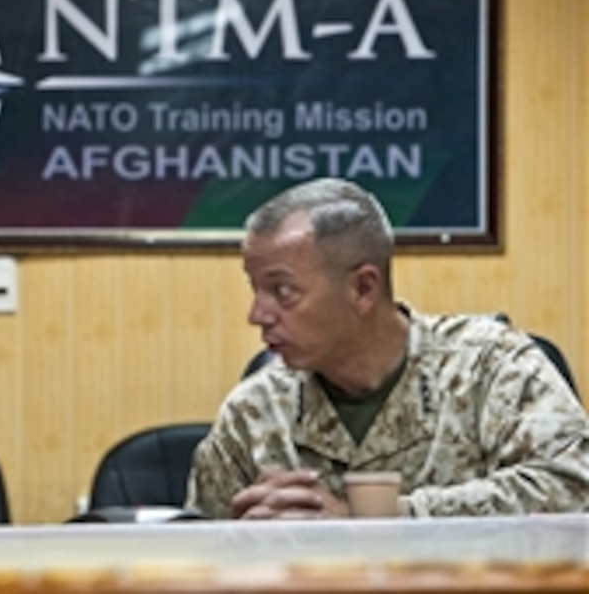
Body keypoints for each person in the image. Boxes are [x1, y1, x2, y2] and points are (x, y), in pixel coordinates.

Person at [186, 177, 589, 519]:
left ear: (362, 288)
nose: (257, 314)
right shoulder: (253, 413)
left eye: (283, 291)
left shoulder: (490, 368)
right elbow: (195, 554)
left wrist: (378, 521)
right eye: (255, 290)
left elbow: (575, 487)